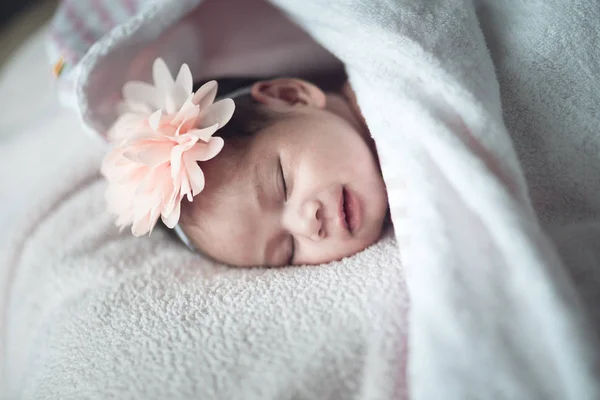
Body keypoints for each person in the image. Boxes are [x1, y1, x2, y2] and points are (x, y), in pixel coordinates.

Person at [101, 59, 389, 267]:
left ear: (290, 96)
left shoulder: (386, 82)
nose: (306, 225)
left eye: (284, 184)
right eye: (288, 250)